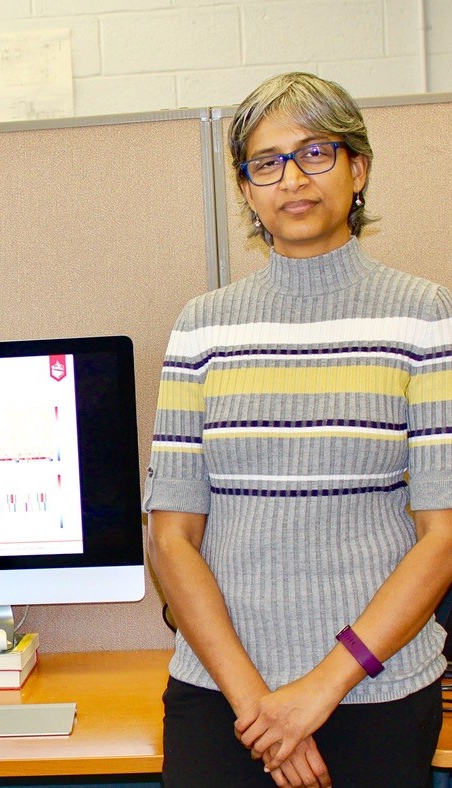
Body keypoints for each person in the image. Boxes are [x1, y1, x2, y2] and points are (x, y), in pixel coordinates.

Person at [145, 72, 452, 788]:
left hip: (374, 693)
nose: (293, 177)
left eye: (317, 152)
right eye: (268, 162)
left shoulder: (425, 316)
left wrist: (318, 691)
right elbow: (171, 536)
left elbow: (443, 537)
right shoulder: (201, 327)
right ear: (247, 190)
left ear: (358, 168)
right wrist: (260, 707)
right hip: (222, 695)